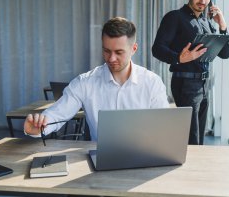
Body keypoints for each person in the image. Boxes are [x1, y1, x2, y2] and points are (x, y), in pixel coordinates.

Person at [24, 17, 169, 140]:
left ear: (134, 49)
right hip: (99, 161)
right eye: (106, 51)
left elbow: (165, 128)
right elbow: (58, 112)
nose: (111, 58)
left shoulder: (152, 83)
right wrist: (40, 126)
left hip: (144, 158)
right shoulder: (85, 82)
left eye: (119, 52)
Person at [152, 0, 229, 145]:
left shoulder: (207, 22)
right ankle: (187, 170)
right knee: (191, 140)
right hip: (185, 83)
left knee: (198, 139)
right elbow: (157, 49)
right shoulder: (175, 17)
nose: (203, 0)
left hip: (203, 85)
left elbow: (225, 54)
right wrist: (179, 58)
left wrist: (222, 25)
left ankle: (197, 169)